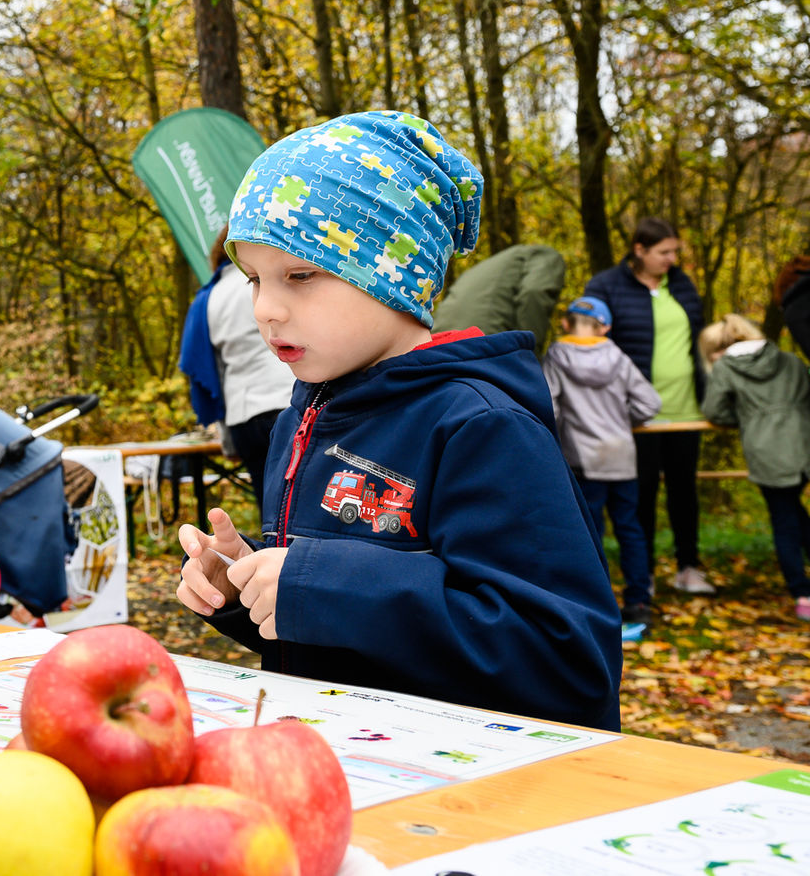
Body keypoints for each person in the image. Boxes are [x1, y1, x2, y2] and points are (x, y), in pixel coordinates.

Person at [174, 110, 621, 730]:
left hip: (463, 792)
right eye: (254, 278)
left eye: (301, 275)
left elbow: (566, 660)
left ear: (395, 275)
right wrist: (244, 591)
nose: (266, 309)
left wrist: (321, 586)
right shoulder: (302, 418)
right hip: (344, 772)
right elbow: (342, 629)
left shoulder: (482, 426)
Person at [585, 217, 713, 594]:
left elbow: (700, 339)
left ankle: (689, 566)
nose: (671, 259)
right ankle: (646, 574)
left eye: (675, 251)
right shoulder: (606, 286)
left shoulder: (682, 285)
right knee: (641, 493)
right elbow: (589, 343)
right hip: (633, 415)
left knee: (684, 491)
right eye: (664, 252)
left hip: (688, 409)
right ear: (639, 250)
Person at [543, 296, 662, 626]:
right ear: (605, 327)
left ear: (566, 324)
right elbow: (650, 403)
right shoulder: (617, 356)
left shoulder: (556, 355)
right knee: (630, 529)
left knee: (589, 533)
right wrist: (626, 420)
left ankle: (596, 605)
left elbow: (548, 407)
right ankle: (639, 602)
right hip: (621, 456)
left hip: (582, 460)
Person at [701, 315, 810, 620]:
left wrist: (749, 417)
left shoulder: (725, 368)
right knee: (794, 512)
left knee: (784, 520)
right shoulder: (790, 360)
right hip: (803, 441)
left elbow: (715, 411)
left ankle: (802, 593)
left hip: (767, 450)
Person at [204, 224, 296, 510]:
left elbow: (216, 368)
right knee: (297, 506)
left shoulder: (211, 295)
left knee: (268, 508)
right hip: (281, 399)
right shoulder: (265, 281)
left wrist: (226, 437)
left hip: (241, 412)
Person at [431, 242, 568, 350]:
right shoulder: (548, 257)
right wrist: (530, 353)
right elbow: (534, 292)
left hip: (439, 342)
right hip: (483, 341)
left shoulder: (486, 269)